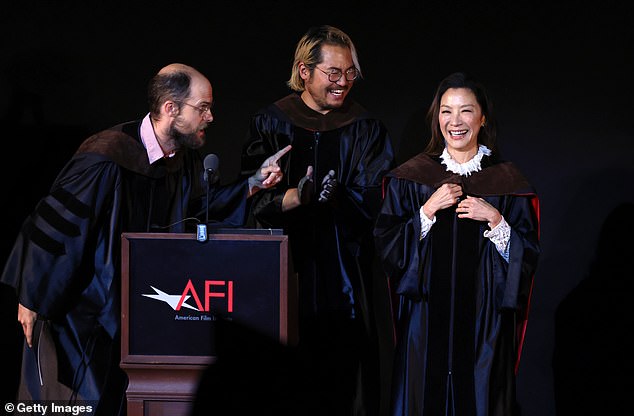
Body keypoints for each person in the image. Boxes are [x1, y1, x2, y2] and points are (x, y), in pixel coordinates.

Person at [0, 63, 290, 415]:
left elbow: (196, 211)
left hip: (141, 314)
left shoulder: (182, 161)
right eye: (203, 108)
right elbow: (61, 225)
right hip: (85, 312)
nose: (211, 117)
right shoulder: (107, 156)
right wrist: (33, 296)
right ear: (171, 109)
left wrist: (252, 184)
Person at [240, 25, 395, 415]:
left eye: (350, 73)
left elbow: (378, 202)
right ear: (304, 71)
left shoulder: (365, 129)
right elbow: (252, 197)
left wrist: (339, 197)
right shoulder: (271, 123)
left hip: (344, 272)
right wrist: (296, 196)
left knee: (346, 372)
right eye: (334, 73)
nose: (344, 82)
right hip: (282, 267)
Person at [373, 72, 540, 416]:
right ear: (437, 118)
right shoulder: (412, 180)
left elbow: (527, 258)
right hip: (424, 324)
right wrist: (428, 210)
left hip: (484, 327)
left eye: (466, 111)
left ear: (482, 118)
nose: (455, 121)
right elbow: (387, 248)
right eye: (446, 111)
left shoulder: (506, 182)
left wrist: (495, 219)